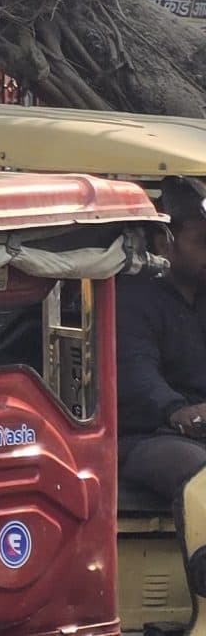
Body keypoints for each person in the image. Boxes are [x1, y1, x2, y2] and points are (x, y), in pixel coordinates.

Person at [119, 177, 206, 615]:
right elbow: (136, 376)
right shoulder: (132, 298)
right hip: (143, 435)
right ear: (163, 239)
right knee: (198, 472)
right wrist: (178, 410)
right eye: (201, 240)